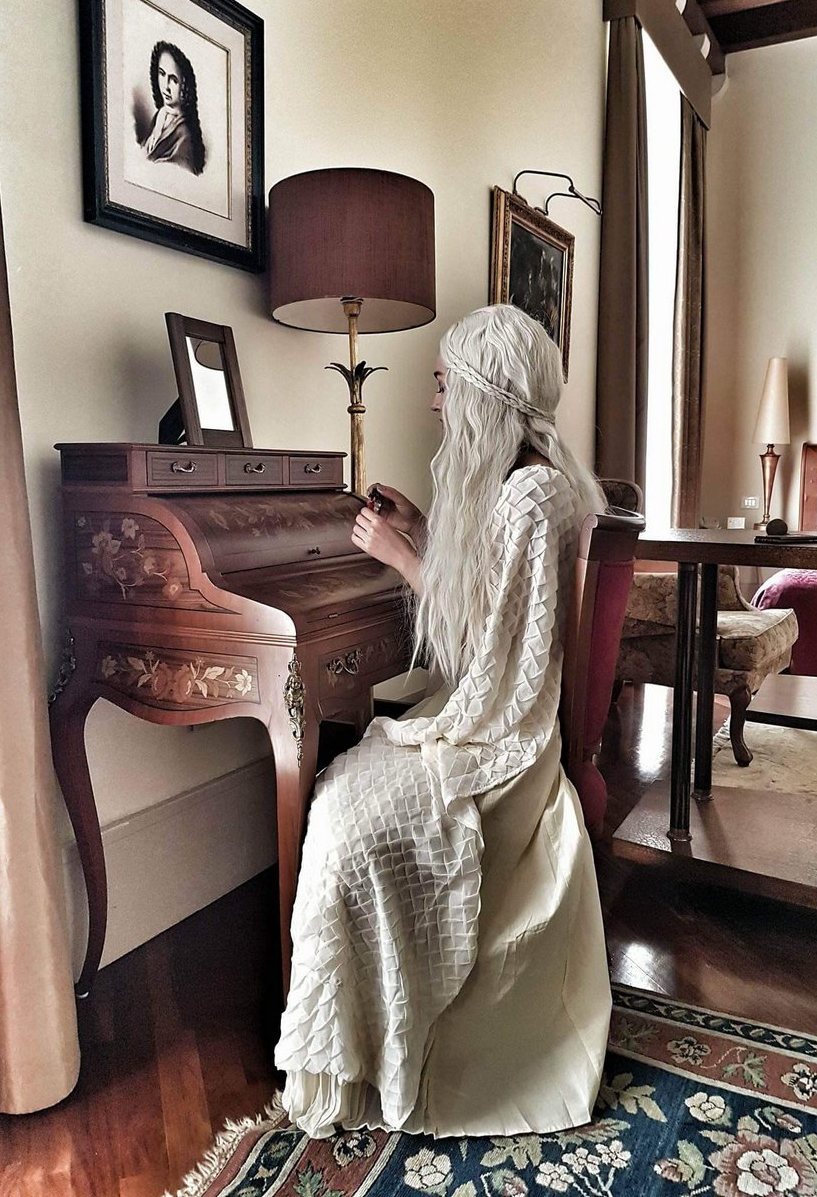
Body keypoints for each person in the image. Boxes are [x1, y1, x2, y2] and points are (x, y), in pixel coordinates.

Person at [275, 304, 611, 1139]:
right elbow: (497, 606)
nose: (434, 402)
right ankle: (359, 1025)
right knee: (345, 786)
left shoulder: (531, 494)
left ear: (488, 392)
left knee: (341, 810)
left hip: (511, 742)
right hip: (505, 716)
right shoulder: (536, 483)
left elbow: (485, 650)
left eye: (443, 383)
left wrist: (400, 558)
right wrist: (422, 531)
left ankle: (374, 1040)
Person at [140, 41, 205, 175]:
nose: (166, 86)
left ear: (185, 87)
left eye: (174, 80)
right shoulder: (160, 117)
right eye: (162, 74)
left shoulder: (185, 135)